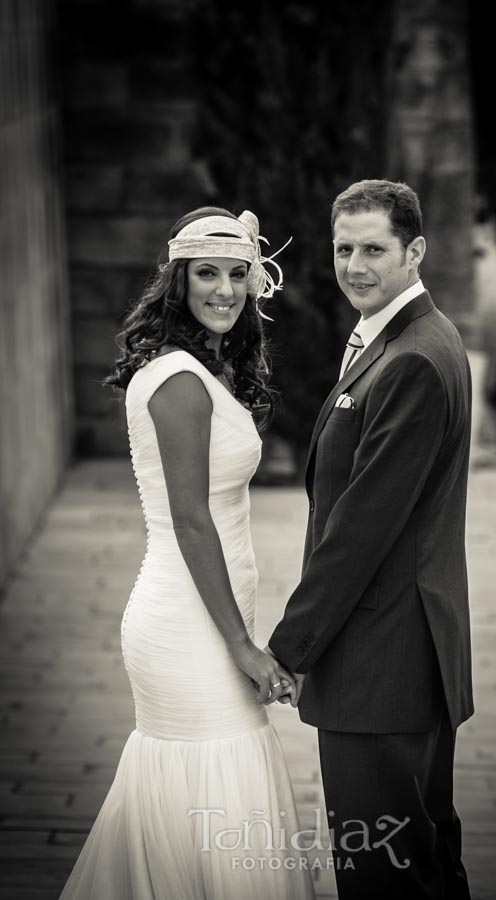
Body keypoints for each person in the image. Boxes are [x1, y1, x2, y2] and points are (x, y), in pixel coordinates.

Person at [59, 206, 315, 900]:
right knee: (215, 797)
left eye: (239, 274)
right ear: (178, 280)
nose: (225, 290)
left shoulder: (206, 367)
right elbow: (192, 519)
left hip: (206, 613)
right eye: (207, 273)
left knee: (200, 808)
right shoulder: (178, 380)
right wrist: (243, 646)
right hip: (188, 625)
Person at [268, 179, 474, 899]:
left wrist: (287, 650)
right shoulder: (404, 337)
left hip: (383, 663)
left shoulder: (413, 358)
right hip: (403, 656)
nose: (355, 266)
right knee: (421, 860)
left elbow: (358, 532)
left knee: (384, 875)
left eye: (374, 250)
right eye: (343, 248)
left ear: (415, 250)